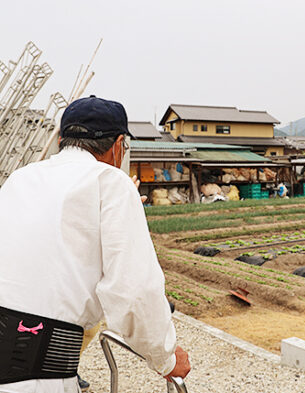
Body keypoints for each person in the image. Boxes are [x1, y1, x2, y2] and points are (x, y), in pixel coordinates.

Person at [0, 96, 190, 393]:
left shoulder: (20, 179)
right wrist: (165, 358)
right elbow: (134, 291)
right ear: (118, 146)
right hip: (35, 370)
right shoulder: (110, 182)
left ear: (62, 139)